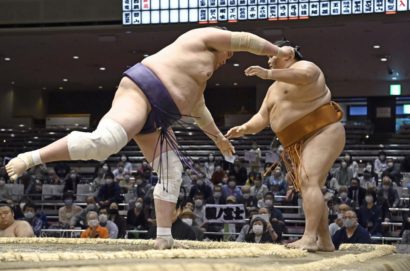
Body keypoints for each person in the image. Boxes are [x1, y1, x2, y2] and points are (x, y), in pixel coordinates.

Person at [6, 27, 290, 249]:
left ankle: (164, 235)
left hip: (156, 123)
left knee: (171, 170)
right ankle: (29, 158)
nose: (229, 56)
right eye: (228, 52)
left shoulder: (197, 83)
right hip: (141, 92)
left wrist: (219, 140)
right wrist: (279, 51)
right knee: (104, 143)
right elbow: (244, 40)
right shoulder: (200, 37)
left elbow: (202, 114)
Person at [226, 39, 345, 251]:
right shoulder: (272, 89)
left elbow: (304, 77)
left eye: (272, 56)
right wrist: (243, 128)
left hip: (323, 131)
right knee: (312, 186)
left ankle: (309, 237)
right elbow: (262, 117)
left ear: (288, 55)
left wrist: (268, 73)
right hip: (298, 142)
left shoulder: (307, 67)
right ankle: (325, 240)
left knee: (309, 181)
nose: (269, 61)